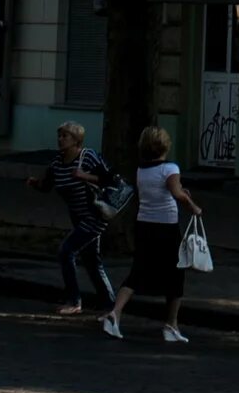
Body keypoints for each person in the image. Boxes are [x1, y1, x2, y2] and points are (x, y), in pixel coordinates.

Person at [108, 124, 203, 343]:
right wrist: (193, 206)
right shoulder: (170, 168)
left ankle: (116, 312)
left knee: (138, 271)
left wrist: (178, 191)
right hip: (166, 227)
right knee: (175, 275)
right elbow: (176, 193)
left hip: (144, 224)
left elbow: (160, 191)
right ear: (165, 146)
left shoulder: (142, 170)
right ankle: (171, 324)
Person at [28, 120, 119, 326]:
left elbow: (112, 180)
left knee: (66, 251)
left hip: (96, 215)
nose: (60, 140)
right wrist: (35, 184)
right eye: (59, 136)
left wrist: (84, 175)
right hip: (78, 216)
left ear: (77, 140)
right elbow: (47, 185)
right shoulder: (57, 163)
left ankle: (74, 300)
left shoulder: (88, 157)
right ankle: (108, 303)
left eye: (65, 136)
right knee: (90, 258)